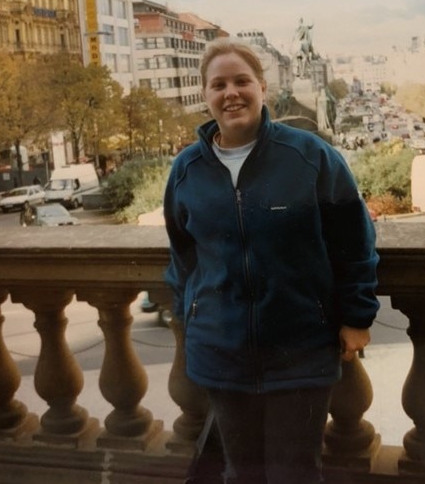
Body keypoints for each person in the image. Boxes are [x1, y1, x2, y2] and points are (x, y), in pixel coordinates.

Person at [163, 37, 380, 484]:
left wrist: (356, 316)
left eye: (242, 81)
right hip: (222, 354)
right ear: (205, 94)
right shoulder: (186, 170)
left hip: (300, 351)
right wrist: (192, 319)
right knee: (240, 472)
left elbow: (354, 240)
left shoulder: (310, 155)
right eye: (218, 84)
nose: (231, 93)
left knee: (294, 473)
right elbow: (182, 256)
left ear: (262, 86)